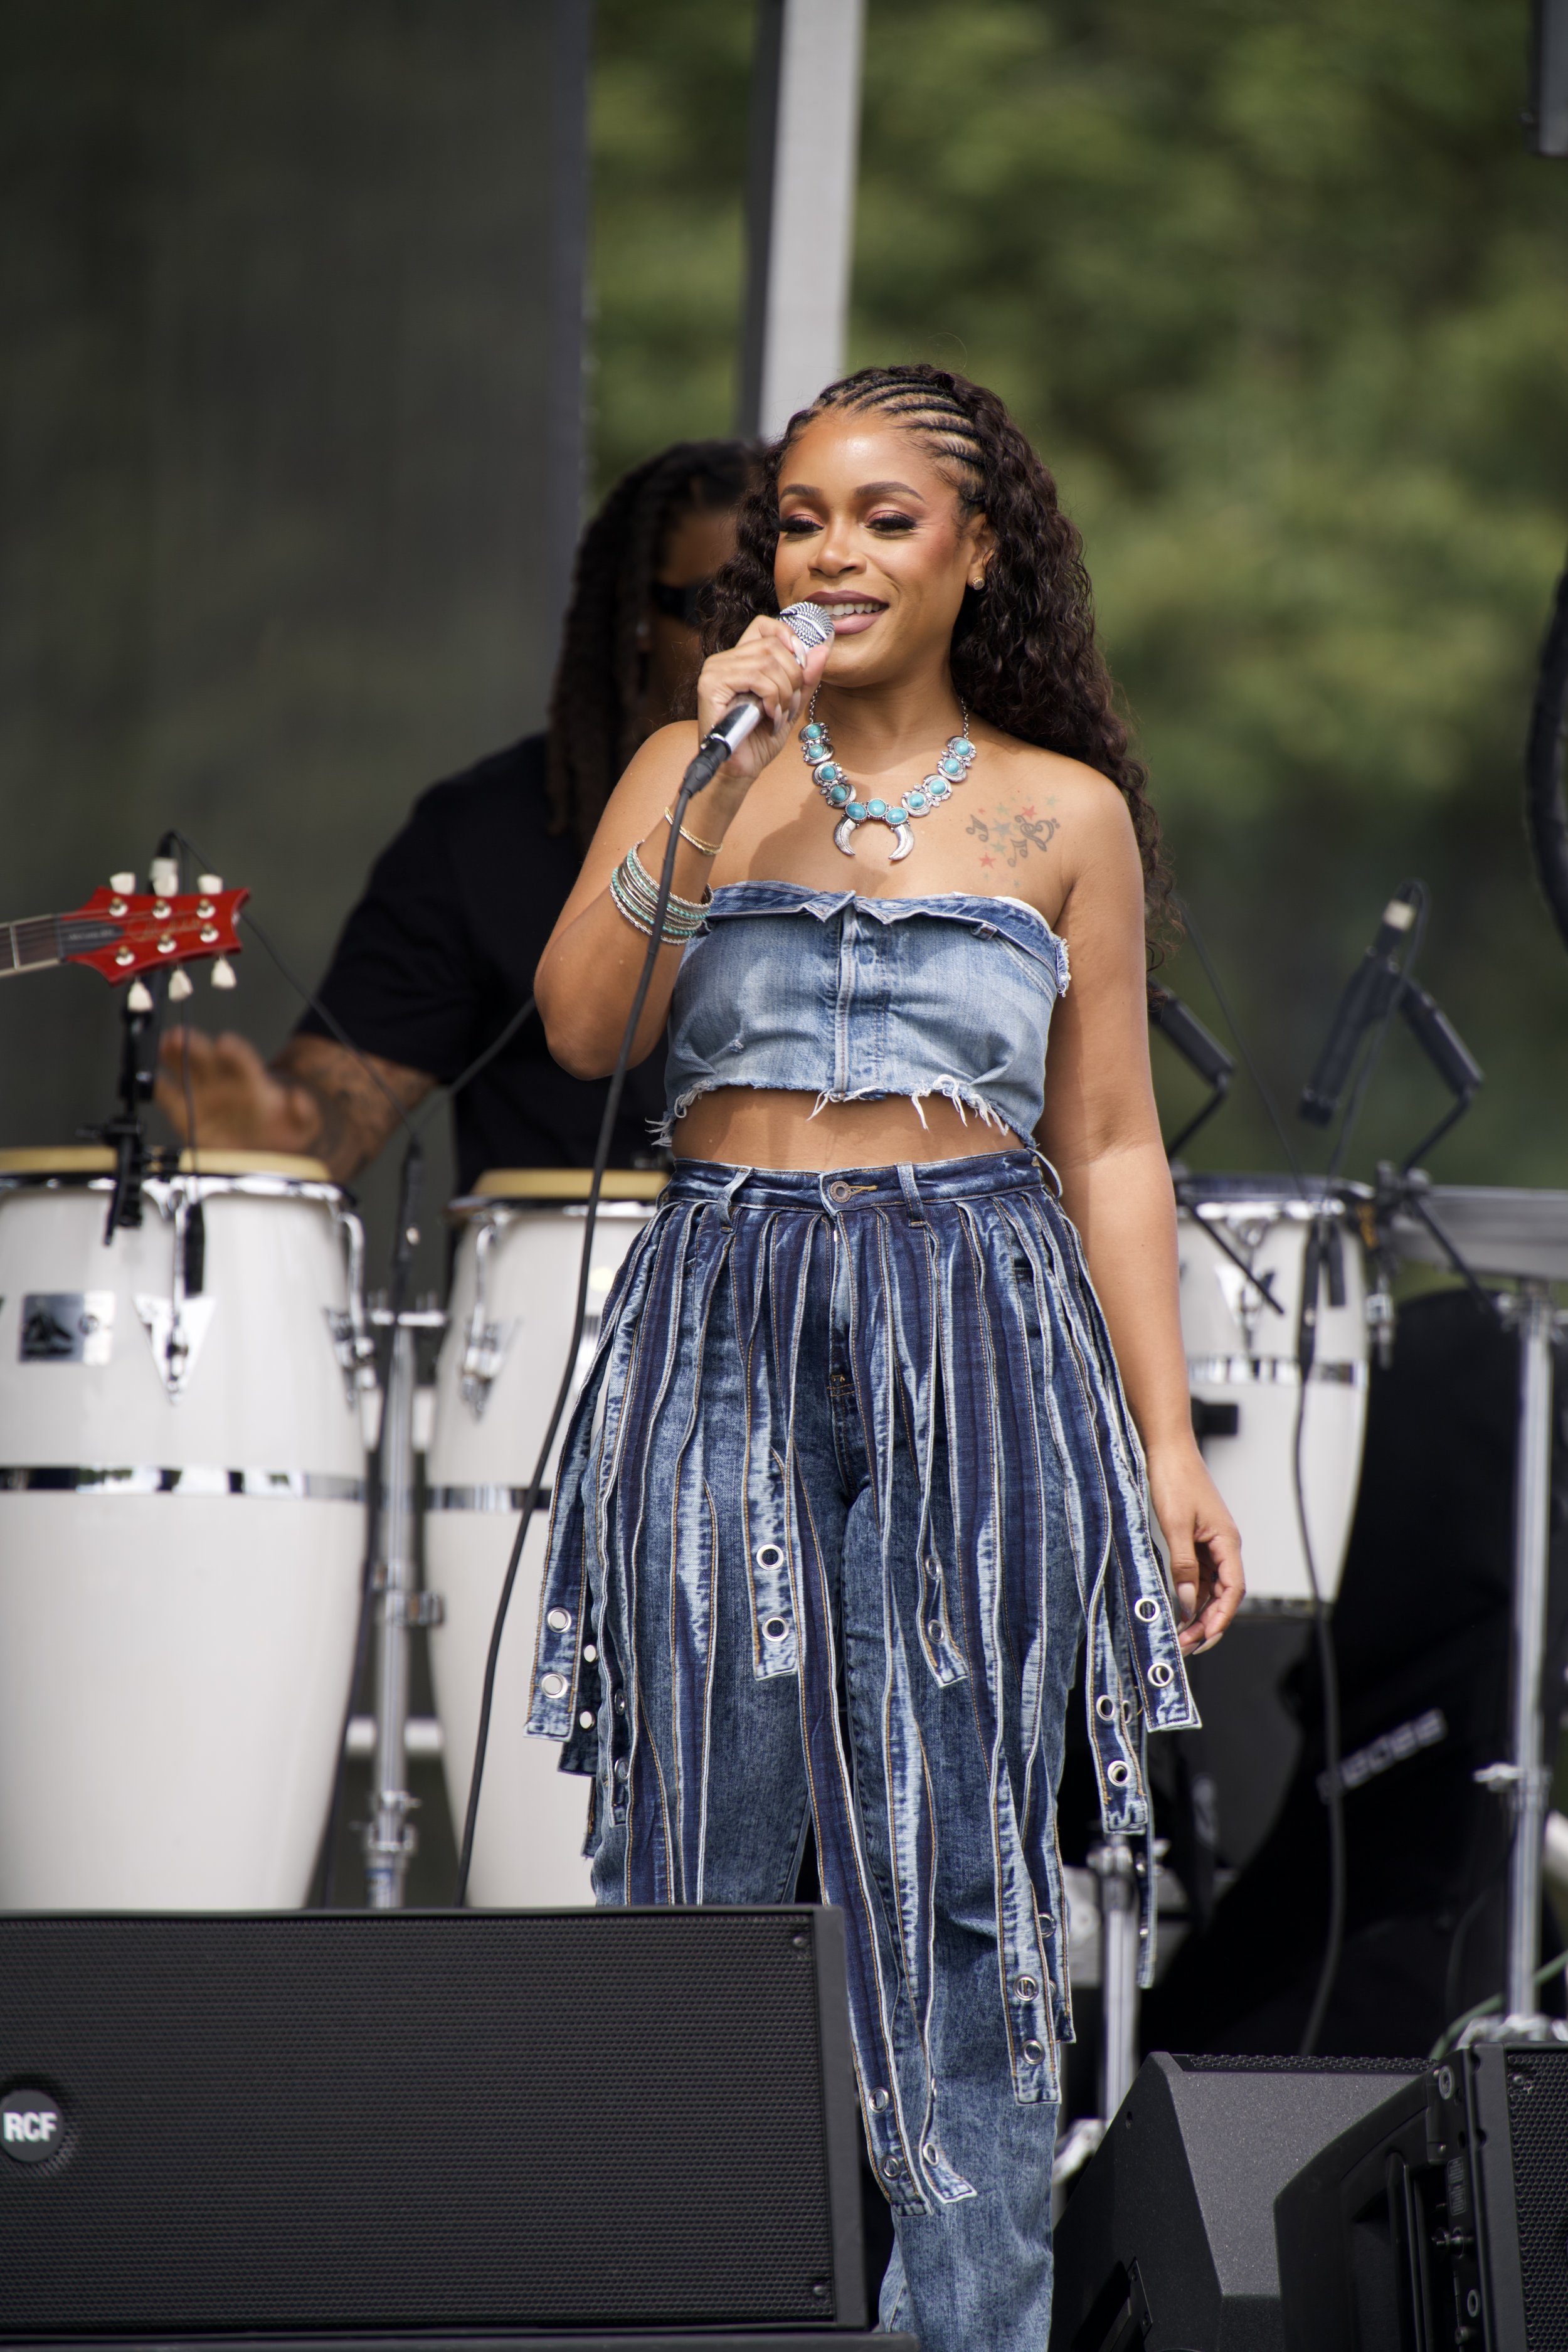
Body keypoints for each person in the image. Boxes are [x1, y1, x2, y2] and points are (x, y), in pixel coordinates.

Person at [526, 364, 1244, 2352]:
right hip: (724, 1297)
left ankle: (969, 2329)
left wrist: (1165, 1449)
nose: (827, 553)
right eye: (798, 521)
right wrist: (698, 757)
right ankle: (689, 2314)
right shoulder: (706, 765)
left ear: (976, 549)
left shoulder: (1057, 809)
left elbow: (1105, 1140)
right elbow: (585, 1025)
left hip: (974, 1318)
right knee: (699, 1855)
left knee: (952, 1878)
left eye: (879, 518)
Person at [154, 441, 753, 1191]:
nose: (759, 635)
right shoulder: (486, 833)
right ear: (637, 615)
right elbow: (344, 1106)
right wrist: (278, 1138)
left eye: (784, 607)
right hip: (577, 1299)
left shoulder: (901, 809)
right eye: (718, 605)